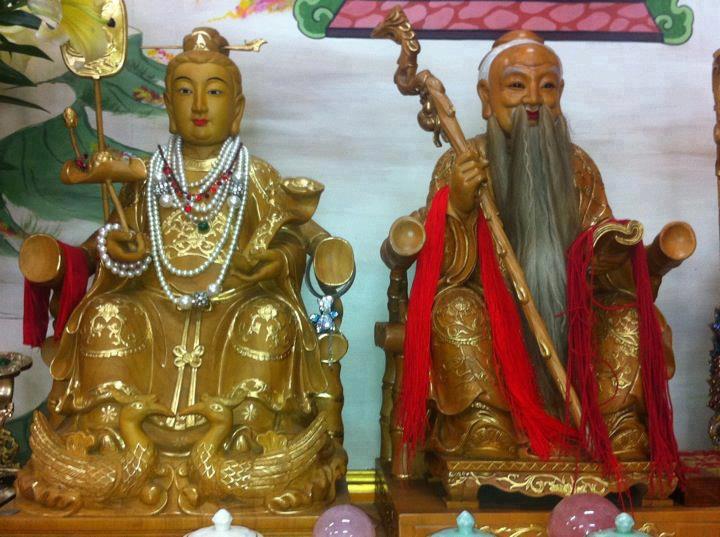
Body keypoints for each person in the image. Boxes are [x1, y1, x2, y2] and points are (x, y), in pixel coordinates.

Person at [18, 27, 352, 512]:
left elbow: (291, 235)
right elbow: (105, 240)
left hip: (233, 302)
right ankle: (107, 429)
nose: (198, 105)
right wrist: (111, 251)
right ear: (168, 108)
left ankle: (251, 430)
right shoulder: (145, 176)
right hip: (153, 301)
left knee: (270, 316)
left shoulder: (255, 175)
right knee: (107, 313)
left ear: (237, 110)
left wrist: (277, 261)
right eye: (184, 91)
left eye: (214, 92)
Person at [382, 30, 694, 479]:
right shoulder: (461, 163)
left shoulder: (579, 167)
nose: (533, 99)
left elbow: (601, 247)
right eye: (516, 85)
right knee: (453, 309)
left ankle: (615, 422)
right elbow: (443, 271)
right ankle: (483, 422)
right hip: (493, 328)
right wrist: (461, 206)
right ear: (486, 97)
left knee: (627, 314)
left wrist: (610, 256)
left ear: (560, 95)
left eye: (546, 86)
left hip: (570, 325)